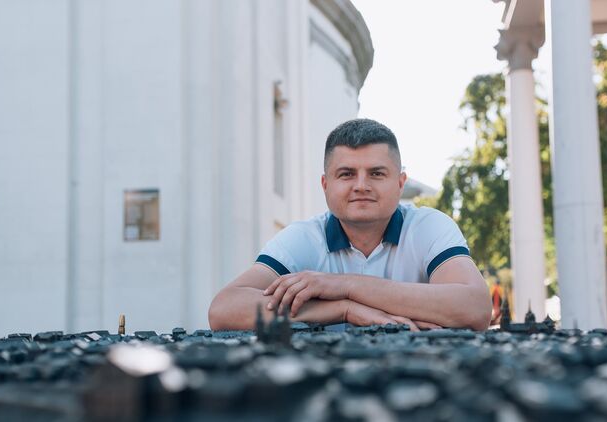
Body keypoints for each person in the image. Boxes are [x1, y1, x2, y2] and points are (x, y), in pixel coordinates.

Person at [208, 118, 490, 331]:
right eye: (346, 174)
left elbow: (475, 308)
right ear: (325, 184)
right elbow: (224, 309)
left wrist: (345, 285)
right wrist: (343, 309)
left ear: (400, 183)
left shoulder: (429, 226)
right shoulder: (303, 238)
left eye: (376, 173)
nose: (361, 186)